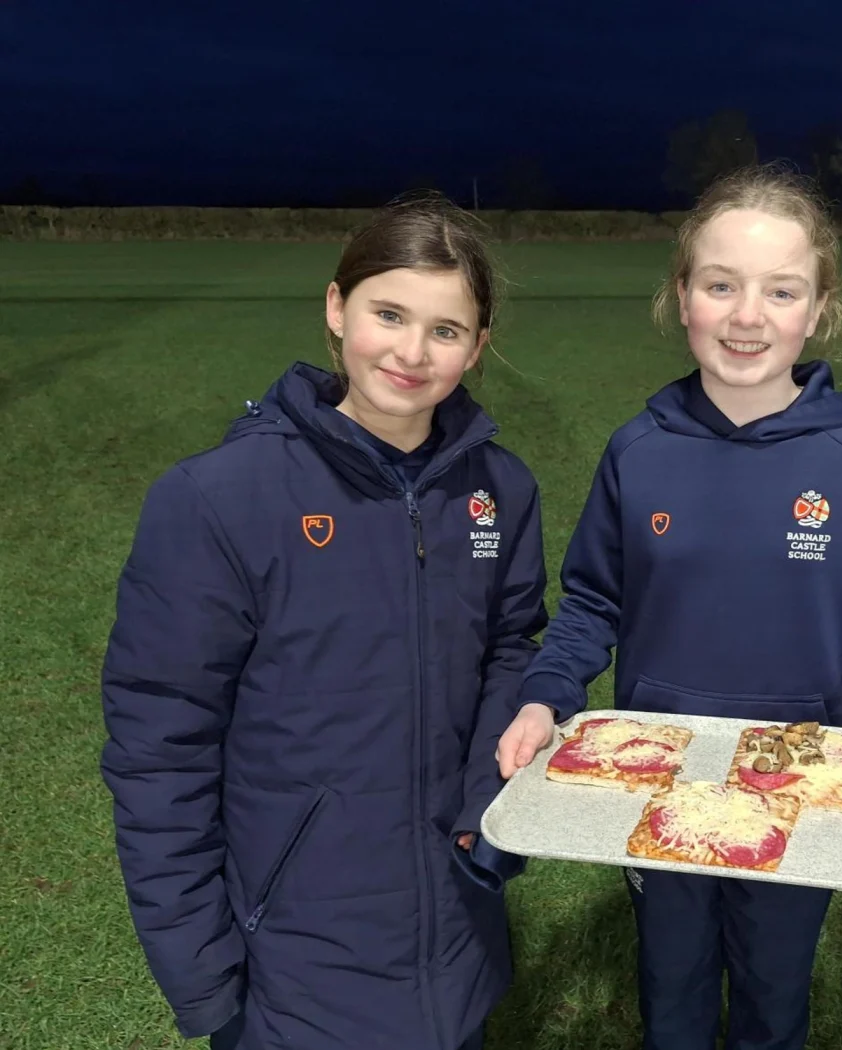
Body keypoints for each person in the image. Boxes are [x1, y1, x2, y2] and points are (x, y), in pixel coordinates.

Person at [493, 164, 842, 1050]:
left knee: (774, 993)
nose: (749, 316)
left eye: (780, 291)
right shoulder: (638, 452)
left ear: (818, 308)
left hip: (805, 781)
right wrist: (545, 693)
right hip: (660, 777)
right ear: (683, 297)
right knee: (670, 989)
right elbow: (593, 600)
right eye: (722, 286)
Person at [99, 191, 546, 1050]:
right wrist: (202, 976)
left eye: (446, 330)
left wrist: (488, 815)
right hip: (290, 967)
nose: (412, 352)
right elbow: (160, 750)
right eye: (389, 313)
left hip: (455, 945)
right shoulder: (216, 500)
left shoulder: (500, 489)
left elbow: (510, 646)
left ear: (478, 345)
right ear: (337, 308)